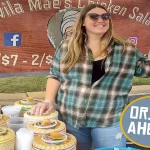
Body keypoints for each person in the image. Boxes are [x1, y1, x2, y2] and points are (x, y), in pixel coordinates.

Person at [31, 4, 150, 150]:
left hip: (109, 120)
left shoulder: (126, 49)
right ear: (82, 21)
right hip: (72, 118)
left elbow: (146, 69)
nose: (101, 20)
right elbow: (55, 75)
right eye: (94, 16)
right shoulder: (67, 47)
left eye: (105, 16)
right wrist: (48, 100)